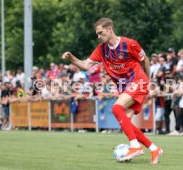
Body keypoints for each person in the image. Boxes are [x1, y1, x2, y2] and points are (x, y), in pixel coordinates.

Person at [62, 18, 162, 164]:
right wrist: (71, 58)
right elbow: (85, 65)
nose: (98, 36)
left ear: (109, 29)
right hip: (125, 87)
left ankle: (135, 147)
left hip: (138, 82)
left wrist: (147, 81)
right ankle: (154, 148)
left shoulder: (129, 44)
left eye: (100, 33)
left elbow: (145, 60)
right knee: (126, 123)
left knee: (116, 108)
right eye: (97, 34)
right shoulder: (101, 50)